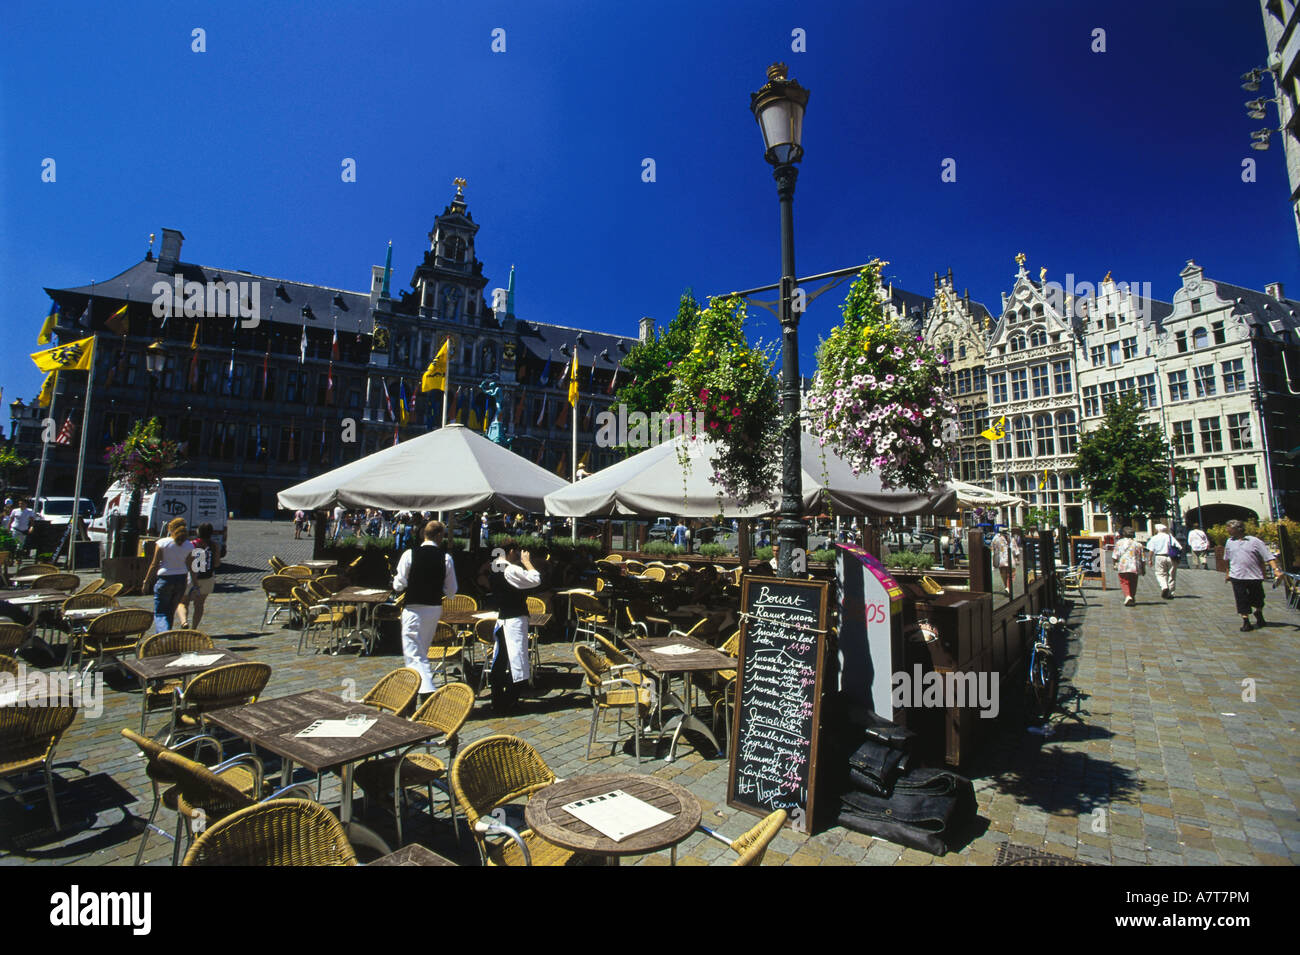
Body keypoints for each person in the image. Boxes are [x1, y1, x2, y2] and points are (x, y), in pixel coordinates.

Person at [391, 520, 459, 703]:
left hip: (413, 607)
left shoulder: (410, 554)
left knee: (413, 651)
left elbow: (399, 584)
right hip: (434, 607)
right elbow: (452, 590)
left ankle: (425, 691)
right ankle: (417, 692)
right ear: (439, 536)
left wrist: (398, 582)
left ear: (424, 534)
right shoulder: (445, 557)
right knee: (421, 650)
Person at [486, 538, 541, 713]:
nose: (518, 555)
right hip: (514, 618)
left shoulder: (495, 567)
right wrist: (527, 563)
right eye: (516, 552)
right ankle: (510, 700)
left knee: (500, 658)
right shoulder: (511, 570)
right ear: (510, 552)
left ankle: (497, 699)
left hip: (502, 618)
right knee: (518, 660)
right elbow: (535, 579)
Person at [1223, 519, 1282, 631]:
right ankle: (1246, 621)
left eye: (1229, 528)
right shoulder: (1229, 542)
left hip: (1254, 575)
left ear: (1237, 529)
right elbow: (1227, 559)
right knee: (1241, 598)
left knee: (1258, 598)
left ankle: (1258, 613)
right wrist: (1228, 573)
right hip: (1237, 575)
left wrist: (1276, 570)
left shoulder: (1254, 541)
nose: (1227, 530)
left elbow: (1268, 556)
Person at [142, 518, 197, 634]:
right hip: (181, 579)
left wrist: (146, 581)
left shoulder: (162, 543)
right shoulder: (189, 546)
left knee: (161, 612)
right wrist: (195, 584)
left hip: (165, 578)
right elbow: (191, 566)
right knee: (170, 611)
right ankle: (167, 634)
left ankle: (163, 635)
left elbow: (154, 564)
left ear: (171, 529)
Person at [177, 522, 220, 629]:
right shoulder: (214, 545)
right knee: (199, 604)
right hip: (207, 577)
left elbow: (185, 561)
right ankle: (194, 628)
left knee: (183, 602)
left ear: (198, 532)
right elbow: (216, 563)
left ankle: (184, 621)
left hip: (191, 577)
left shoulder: (192, 544)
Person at [1145, 523, 1179, 599]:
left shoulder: (1154, 538)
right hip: (1171, 557)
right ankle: (1171, 593)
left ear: (1157, 530)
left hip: (1159, 557)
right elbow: (1178, 546)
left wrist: (1150, 559)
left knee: (1160, 573)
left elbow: (1151, 550)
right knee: (1172, 575)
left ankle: (1164, 586)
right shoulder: (1170, 537)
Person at [1112, 526, 1144, 607]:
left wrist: (1114, 564)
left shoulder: (1119, 543)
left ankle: (1127, 596)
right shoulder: (1138, 544)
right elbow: (1142, 558)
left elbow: (1115, 556)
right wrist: (1143, 568)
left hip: (1123, 565)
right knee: (1133, 582)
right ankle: (1132, 597)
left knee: (1124, 581)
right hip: (1134, 566)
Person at [990, 527, 1020, 594]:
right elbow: (1016, 550)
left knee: (1004, 574)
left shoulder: (996, 539)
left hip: (1001, 560)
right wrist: (1018, 559)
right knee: (1011, 574)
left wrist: (994, 560)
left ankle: (1007, 587)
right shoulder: (1011, 539)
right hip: (1010, 559)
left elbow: (992, 549)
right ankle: (1008, 587)